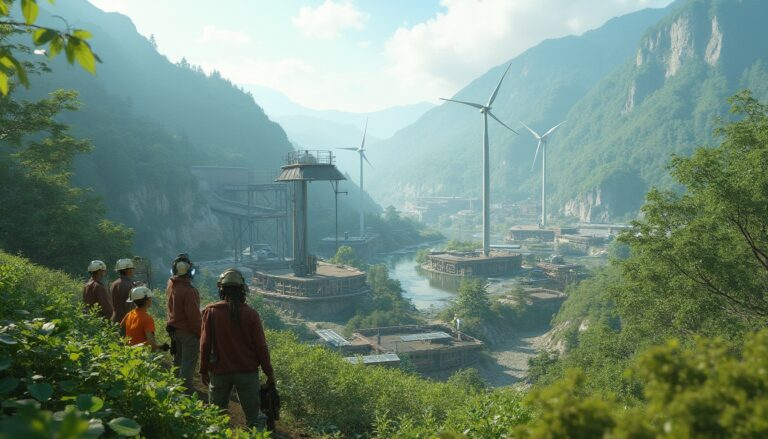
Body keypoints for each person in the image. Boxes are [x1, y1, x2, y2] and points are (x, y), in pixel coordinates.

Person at [200, 268, 276, 429]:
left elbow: (205, 344)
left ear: (221, 289)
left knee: (215, 418)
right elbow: (261, 347)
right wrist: (269, 373)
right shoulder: (251, 314)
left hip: (219, 372)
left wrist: (203, 369)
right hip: (247, 373)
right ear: (242, 290)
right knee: (254, 419)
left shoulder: (211, 312)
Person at [166, 253, 201, 394]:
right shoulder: (189, 291)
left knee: (178, 359)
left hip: (174, 329)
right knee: (188, 361)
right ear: (190, 271)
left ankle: (174, 385)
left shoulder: (171, 284)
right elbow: (194, 317)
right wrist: (201, 334)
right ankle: (185, 389)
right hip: (187, 332)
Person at [119, 286, 169, 352]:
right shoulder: (147, 319)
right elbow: (151, 344)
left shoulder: (129, 314)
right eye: (150, 298)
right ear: (147, 300)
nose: (151, 299)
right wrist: (161, 347)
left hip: (129, 353)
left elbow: (119, 328)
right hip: (141, 355)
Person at [111, 258, 136, 324]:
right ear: (128, 270)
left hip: (115, 319)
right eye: (132, 268)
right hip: (126, 321)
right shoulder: (129, 285)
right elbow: (129, 307)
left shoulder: (114, 283)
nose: (133, 270)